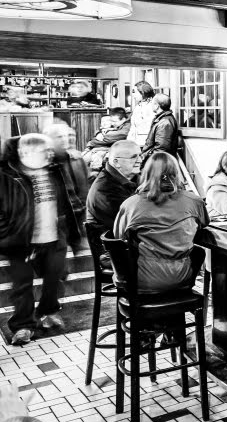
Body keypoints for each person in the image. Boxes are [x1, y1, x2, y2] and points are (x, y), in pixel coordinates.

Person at [0, 134, 86, 345]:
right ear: (25, 153)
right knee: (22, 285)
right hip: (21, 241)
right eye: (43, 151)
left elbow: (69, 202)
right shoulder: (8, 175)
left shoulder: (55, 171)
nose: (49, 154)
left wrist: (75, 235)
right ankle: (23, 326)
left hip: (54, 238)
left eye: (49, 150)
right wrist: (7, 234)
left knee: (54, 278)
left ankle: (48, 310)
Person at [113, 153, 209, 294]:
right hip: (183, 278)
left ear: (146, 174)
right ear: (176, 173)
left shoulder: (131, 205)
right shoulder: (194, 201)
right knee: (198, 252)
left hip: (144, 281)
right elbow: (204, 222)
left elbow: (118, 236)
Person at [86, 141, 142, 269]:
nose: (140, 160)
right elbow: (132, 224)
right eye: (134, 157)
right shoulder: (105, 189)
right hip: (113, 252)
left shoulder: (133, 179)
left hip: (132, 244)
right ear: (116, 162)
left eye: (140, 155)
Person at [82, 108, 132, 173]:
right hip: (106, 148)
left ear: (123, 119)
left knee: (91, 160)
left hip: (114, 150)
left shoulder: (127, 127)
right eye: (111, 121)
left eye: (114, 121)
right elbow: (101, 134)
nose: (112, 123)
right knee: (82, 160)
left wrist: (91, 143)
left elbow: (108, 139)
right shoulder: (119, 125)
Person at [141, 94, 180, 166]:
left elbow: (161, 149)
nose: (151, 105)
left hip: (157, 163)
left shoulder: (164, 123)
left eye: (152, 103)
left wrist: (147, 161)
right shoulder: (162, 120)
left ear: (157, 105)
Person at [126, 81, 156, 147]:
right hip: (134, 142)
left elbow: (150, 128)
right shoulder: (138, 106)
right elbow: (133, 127)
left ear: (143, 92)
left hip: (145, 143)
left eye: (135, 92)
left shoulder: (152, 107)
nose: (133, 95)